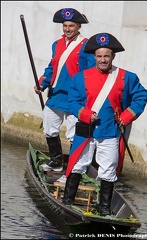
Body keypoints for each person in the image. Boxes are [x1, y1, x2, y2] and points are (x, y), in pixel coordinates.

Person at [62, 32, 147, 216]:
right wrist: (84, 113)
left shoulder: (127, 77)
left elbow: (141, 97)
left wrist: (125, 117)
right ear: (94, 57)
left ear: (113, 56)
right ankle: (67, 203)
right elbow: (72, 101)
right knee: (78, 164)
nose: (103, 60)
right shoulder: (80, 77)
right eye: (99, 56)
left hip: (110, 131)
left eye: (106, 56)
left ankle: (104, 209)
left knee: (108, 170)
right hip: (86, 130)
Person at [34, 8, 96, 172]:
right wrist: (42, 83)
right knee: (49, 128)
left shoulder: (86, 46)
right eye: (65, 26)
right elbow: (51, 68)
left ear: (79, 27)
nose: (68, 29)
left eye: (72, 26)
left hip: (74, 97)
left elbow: (91, 72)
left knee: (73, 134)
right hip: (56, 95)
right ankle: (56, 161)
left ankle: (75, 166)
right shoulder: (57, 44)